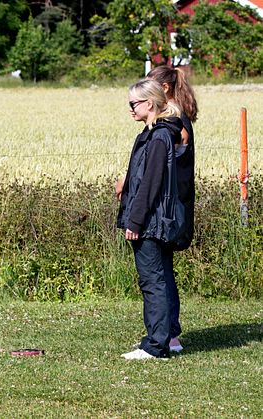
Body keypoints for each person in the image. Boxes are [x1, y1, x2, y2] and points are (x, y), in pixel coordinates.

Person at [115, 66, 198, 352]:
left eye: (133, 104)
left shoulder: (161, 136)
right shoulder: (156, 133)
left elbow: (151, 184)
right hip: (153, 220)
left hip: (151, 222)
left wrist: (135, 221)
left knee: (153, 281)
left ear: (150, 103)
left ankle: (156, 344)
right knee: (159, 278)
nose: (130, 109)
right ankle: (165, 339)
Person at [145, 65, 198, 352]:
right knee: (163, 269)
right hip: (171, 201)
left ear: (163, 88)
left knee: (161, 271)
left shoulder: (173, 119)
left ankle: (170, 334)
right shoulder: (175, 117)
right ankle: (168, 332)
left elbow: (164, 164)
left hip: (169, 204)